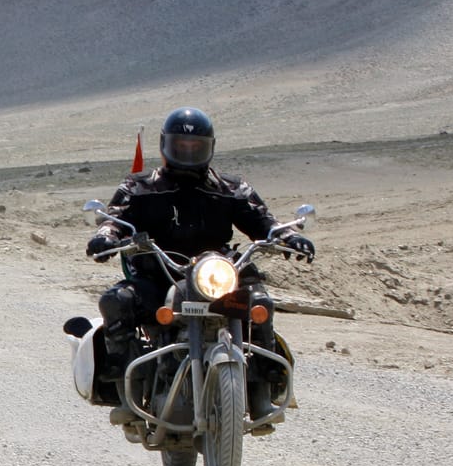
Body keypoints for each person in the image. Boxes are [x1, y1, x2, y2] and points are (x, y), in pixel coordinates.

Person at [85, 107, 316, 417]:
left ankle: (263, 388)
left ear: (210, 148)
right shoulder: (141, 187)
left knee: (260, 302)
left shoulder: (230, 188)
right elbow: (116, 217)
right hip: (160, 275)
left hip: (217, 274)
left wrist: (287, 235)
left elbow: (263, 221)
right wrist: (107, 235)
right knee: (116, 301)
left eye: (196, 147)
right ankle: (128, 391)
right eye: (181, 146)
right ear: (165, 145)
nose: (188, 153)